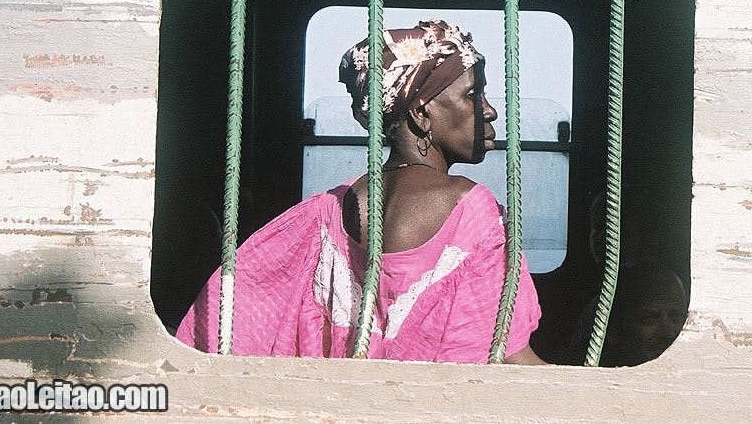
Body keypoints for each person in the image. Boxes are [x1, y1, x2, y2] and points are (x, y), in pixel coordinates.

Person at [175, 20, 544, 364]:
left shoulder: (324, 213)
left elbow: (225, 316)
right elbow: (508, 361)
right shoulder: (475, 213)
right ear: (421, 114)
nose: (491, 111)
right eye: (472, 95)